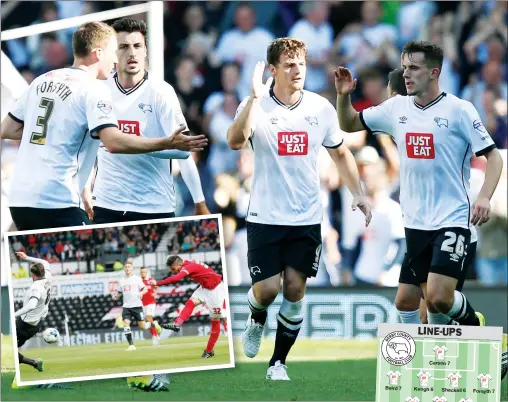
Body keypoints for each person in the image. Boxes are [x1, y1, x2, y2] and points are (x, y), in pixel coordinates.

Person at [226, 37, 371, 380]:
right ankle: (256, 317)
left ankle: (278, 363)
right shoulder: (256, 105)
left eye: (301, 64)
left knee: (294, 289)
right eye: (289, 65)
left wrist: (358, 192)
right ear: (273, 70)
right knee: (266, 290)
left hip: (306, 217)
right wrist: (254, 101)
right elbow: (234, 141)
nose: (297, 71)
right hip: (264, 215)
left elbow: (340, 153)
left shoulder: (319, 108)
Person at [335, 41, 503, 328]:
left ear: (434, 72)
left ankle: (476, 325)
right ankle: (420, 359)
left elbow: (494, 158)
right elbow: (348, 124)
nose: (407, 74)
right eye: (405, 67)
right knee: (406, 301)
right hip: (415, 221)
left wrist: (485, 197)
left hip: (451, 219)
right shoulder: (396, 108)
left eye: (414, 68)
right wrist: (342, 96)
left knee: (438, 298)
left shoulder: (459, 110)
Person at [1, 21, 208, 230]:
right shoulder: (96, 89)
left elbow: (7, 129)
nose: (118, 57)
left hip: (20, 200)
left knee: (37, 261)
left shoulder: (41, 79)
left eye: (136, 46)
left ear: (145, 50)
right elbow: (112, 142)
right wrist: (164, 143)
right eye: (117, 49)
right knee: (85, 261)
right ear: (99, 53)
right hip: (68, 201)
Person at [83, 18, 210, 224]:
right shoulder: (100, 90)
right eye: (123, 47)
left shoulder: (161, 92)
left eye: (137, 46)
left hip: (153, 205)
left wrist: (199, 201)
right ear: (113, 52)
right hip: (107, 204)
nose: (131, 53)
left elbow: (182, 150)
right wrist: (84, 187)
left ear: (145, 51)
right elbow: (89, 147)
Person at [155, 256, 225, 359]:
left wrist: (157, 283)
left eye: (174, 269)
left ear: (179, 264)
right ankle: (177, 324)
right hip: (204, 287)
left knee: (215, 321)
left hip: (215, 290)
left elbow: (176, 278)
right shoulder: (186, 263)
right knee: (190, 302)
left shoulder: (188, 266)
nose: (174, 272)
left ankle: (209, 350)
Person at [12, 252, 52, 372]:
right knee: (10, 349)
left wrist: (13, 315)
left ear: (33, 275)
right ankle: (34, 363)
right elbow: (45, 262)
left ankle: (34, 363)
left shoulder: (36, 287)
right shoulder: (48, 276)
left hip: (24, 325)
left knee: (8, 349)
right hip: (34, 325)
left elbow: (31, 306)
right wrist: (26, 258)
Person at [112, 261, 162, 351]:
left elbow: (145, 289)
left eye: (129, 267)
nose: (127, 268)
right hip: (126, 306)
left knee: (143, 326)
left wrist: (141, 293)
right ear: (124, 268)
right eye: (126, 267)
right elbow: (120, 292)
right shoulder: (121, 281)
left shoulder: (136, 279)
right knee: (126, 323)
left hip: (137, 306)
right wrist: (116, 296)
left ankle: (154, 324)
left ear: (132, 269)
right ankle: (131, 345)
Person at [140, 266, 159, 346]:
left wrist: (155, 293)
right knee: (148, 322)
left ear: (146, 272)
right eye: (141, 272)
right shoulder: (139, 281)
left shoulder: (150, 280)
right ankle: (155, 334)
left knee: (148, 318)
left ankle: (154, 337)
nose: (143, 273)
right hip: (143, 304)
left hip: (151, 303)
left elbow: (157, 286)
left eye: (144, 272)